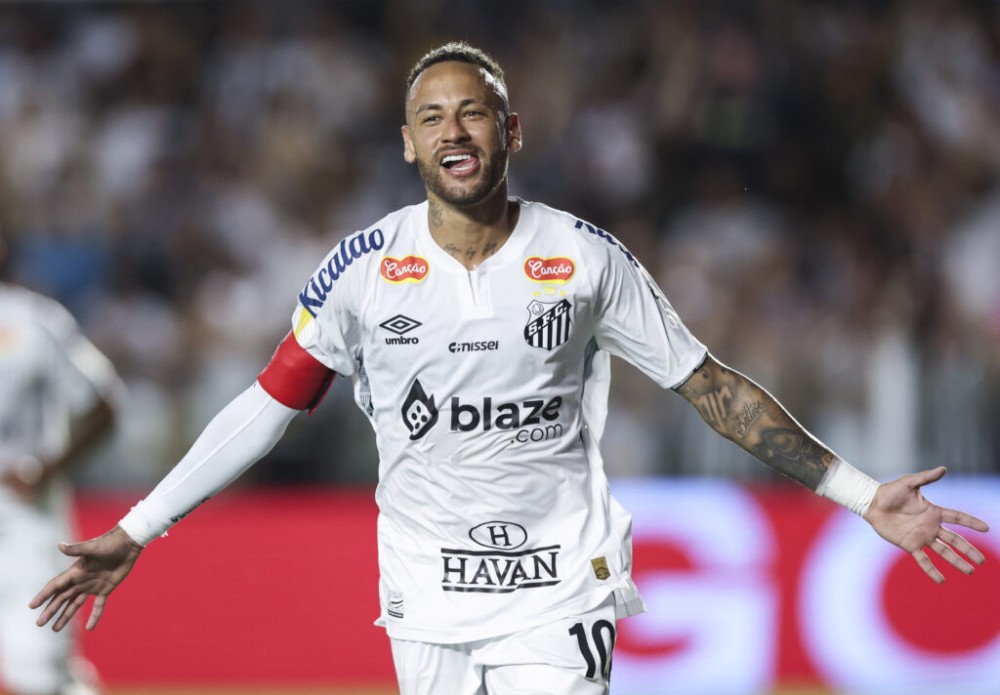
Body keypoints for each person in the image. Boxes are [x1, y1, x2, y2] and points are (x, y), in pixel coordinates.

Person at [31, 42, 989, 695]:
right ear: (407, 143)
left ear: (512, 130)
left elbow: (712, 387)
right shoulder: (363, 267)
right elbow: (270, 402)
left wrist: (862, 493)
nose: (454, 132)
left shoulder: (585, 257)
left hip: (561, 586)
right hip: (424, 590)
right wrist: (139, 526)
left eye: (475, 114)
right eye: (432, 117)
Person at [0, 233, 121, 695]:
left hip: (24, 521)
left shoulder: (36, 320)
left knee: (37, 676)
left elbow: (104, 405)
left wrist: (43, 468)